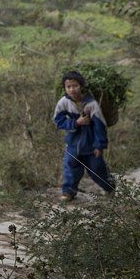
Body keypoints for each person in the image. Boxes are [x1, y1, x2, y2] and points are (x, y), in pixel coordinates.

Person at [53, 70, 115, 202]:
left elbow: (100, 126)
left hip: (91, 145)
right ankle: (68, 192)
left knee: (97, 169)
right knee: (71, 168)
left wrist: (99, 145)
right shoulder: (64, 102)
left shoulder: (92, 104)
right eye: (68, 87)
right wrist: (75, 122)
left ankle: (109, 188)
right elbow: (58, 121)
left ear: (81, 86)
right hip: (73, 143)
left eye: (75, 86)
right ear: (64, 88)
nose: (72, 89)